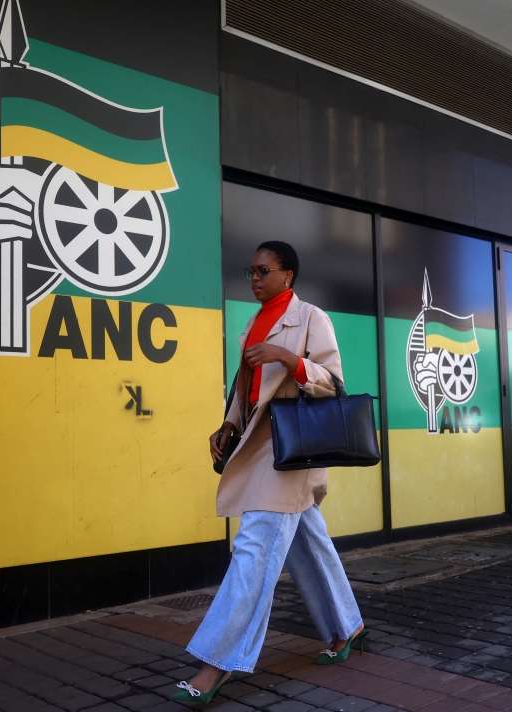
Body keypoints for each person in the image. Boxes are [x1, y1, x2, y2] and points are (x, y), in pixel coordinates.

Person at [173, 241, 368, 706]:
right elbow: (247, 391)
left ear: (288, 276)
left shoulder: (311, 318)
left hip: (292, 452)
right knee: (307, 541)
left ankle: (215, 664)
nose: (255, 278)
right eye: (251, 271)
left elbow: (334, 383)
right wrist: (228, 425)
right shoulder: (252, 324)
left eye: (264, 270)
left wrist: (288, 358)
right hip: (259, 445)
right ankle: (349, 626)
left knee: (254, 548)